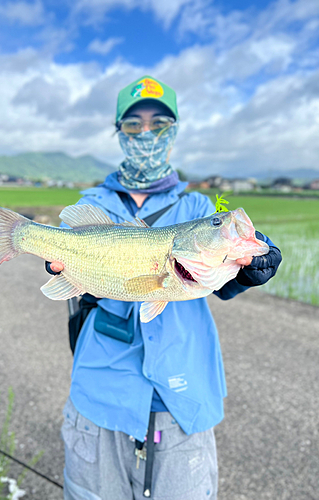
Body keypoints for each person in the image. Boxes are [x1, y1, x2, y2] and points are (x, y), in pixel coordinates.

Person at [47, 75, 282, 500]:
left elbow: (222, 267)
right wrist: (75, 275)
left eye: (159, 122)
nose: (147, 133)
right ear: (119, 133)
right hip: (100, 394)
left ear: (173, 131)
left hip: (183, 399)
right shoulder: (90, 206)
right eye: (134, 124)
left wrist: (248, 265)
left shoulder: (204, 207)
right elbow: (67, 273)